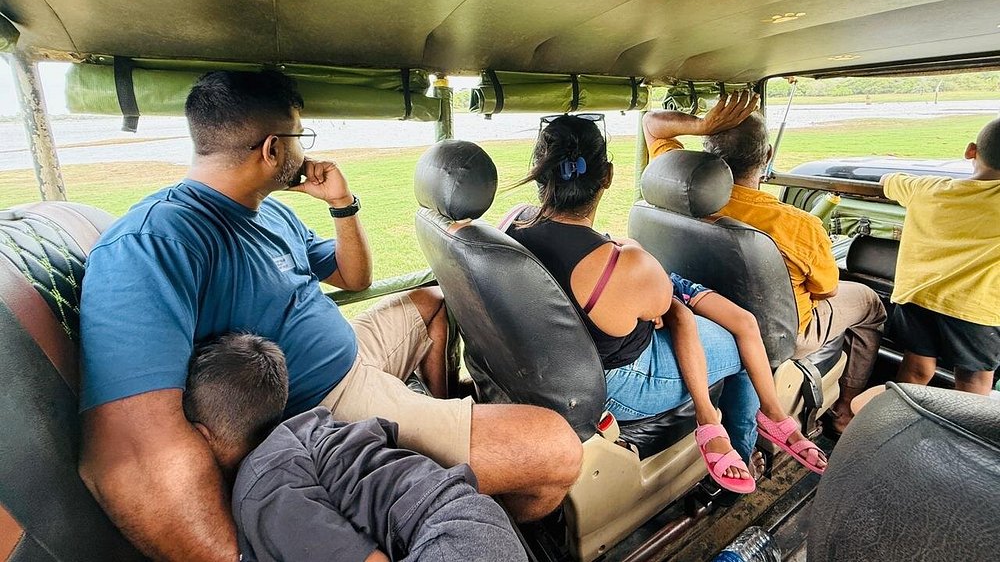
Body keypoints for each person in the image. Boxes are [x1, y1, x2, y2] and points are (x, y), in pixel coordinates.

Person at [78, 70, 582, 562]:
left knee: (430, 301)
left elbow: (354, 277)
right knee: (557, 449)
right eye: (301, 136)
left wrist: (342, 205)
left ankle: (445, 434)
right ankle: (454, 499)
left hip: (348, 350)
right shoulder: (153, 245)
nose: (305, 149)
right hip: (324, 404)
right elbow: (133, 457)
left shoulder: (268, 209)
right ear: (274, 148)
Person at [505, 115, 826, 494]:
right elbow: (668, 309)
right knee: (744, 340)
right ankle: (743, 446)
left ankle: (747, 429)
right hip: (619, 385)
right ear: (607, 176)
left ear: (541, 175)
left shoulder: (513, 223)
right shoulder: (622, 264)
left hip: (550, 368)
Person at [643, 92, 887, 435]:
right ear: (767, 155)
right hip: (780, 331)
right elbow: (827, 289)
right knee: (869, 301)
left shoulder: (675, 192)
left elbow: (652, 125)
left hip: (698, 309)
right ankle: (845, 410)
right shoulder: (797, 224)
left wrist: (703, 125)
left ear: (708, 151)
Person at [183, 333, 527, 562]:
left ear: (202, 435)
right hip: (476, 526)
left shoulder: (261, 486)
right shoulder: (310, 427)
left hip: (459, 545)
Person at [879, 117, 1000, 395]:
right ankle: (962, 437)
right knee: (972, 385)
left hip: (918, 296)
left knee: (916, 370)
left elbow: (889, 180)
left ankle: (892, 425)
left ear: (971, 151)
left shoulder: (927, 189)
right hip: (975, 310)